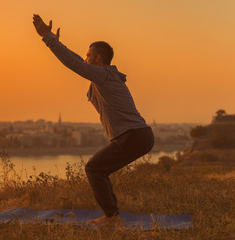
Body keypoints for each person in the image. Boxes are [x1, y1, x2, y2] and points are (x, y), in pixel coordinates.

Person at [32, 14, 154, 225]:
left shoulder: (104, 75)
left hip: (133, 136)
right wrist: (57, 45)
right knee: (99, 170)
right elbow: (77, 62)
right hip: (137, 136)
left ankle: (112, 217)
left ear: (98, 60)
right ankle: (112, 214)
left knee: (94, 169)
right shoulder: (104, 76)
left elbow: (76, 64)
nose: (86, 58)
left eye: (89, 56)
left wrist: (48, 38)